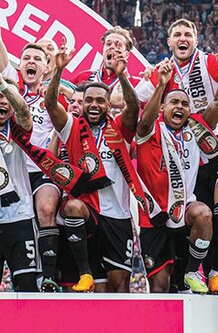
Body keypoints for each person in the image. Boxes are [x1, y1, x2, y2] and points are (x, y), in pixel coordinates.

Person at [148, 16, 218, 295]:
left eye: (188, 35)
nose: (183, 39)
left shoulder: (207, 62)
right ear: (168, 41)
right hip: (190, 154)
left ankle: (217, 273)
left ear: (196, 41)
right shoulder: (162, 71)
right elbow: (131, 102)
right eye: (177, 34)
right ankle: (189, 277)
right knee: (196, 218)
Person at [48, 47, 150, 294]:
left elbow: (134, 108)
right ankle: (85, 272)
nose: (94, 105)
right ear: (81, 104)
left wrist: (123, 75)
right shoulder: (71, 128)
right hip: (88, 213)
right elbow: (51, 105)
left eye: (99, 100)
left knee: (117, 288)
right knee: (72, 207)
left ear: (108, 104)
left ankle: (119, 332)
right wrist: (59, 70)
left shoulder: (120, 129)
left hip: (118, 217)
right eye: (88, 100)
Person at [134, 54, 218, 294]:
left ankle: (191, 271)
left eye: (184, 104)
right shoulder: (150, 129)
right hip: (153, 216)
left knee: (204, 214)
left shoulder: (195, 129)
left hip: (182, 211)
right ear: (162, 108)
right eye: (174, 102)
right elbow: (144, 122)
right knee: (160, 288)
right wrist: (160, 84)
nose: (179, 107)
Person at [0, 62, 40, 292]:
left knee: (27, 286)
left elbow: (23, 111)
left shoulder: (19, 127)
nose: (3, 101)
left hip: (20, 216)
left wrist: (2, 83)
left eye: (8, 97)